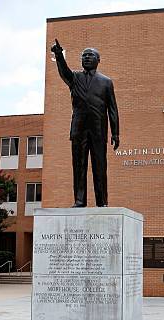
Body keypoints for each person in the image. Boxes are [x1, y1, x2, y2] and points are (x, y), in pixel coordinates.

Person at [50, 39, 120, 207]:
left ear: (98, 60)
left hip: (98, 131)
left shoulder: (106, 82)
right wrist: (59, 56)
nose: (87, 58)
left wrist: (115, 133)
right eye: (84, 55)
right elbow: (64, 72)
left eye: (91, 55)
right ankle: (80, 200)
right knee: (79, 166)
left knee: (100, 166)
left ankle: (101, 201)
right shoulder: (74, 78)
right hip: (79, 130)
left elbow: (113, 109)